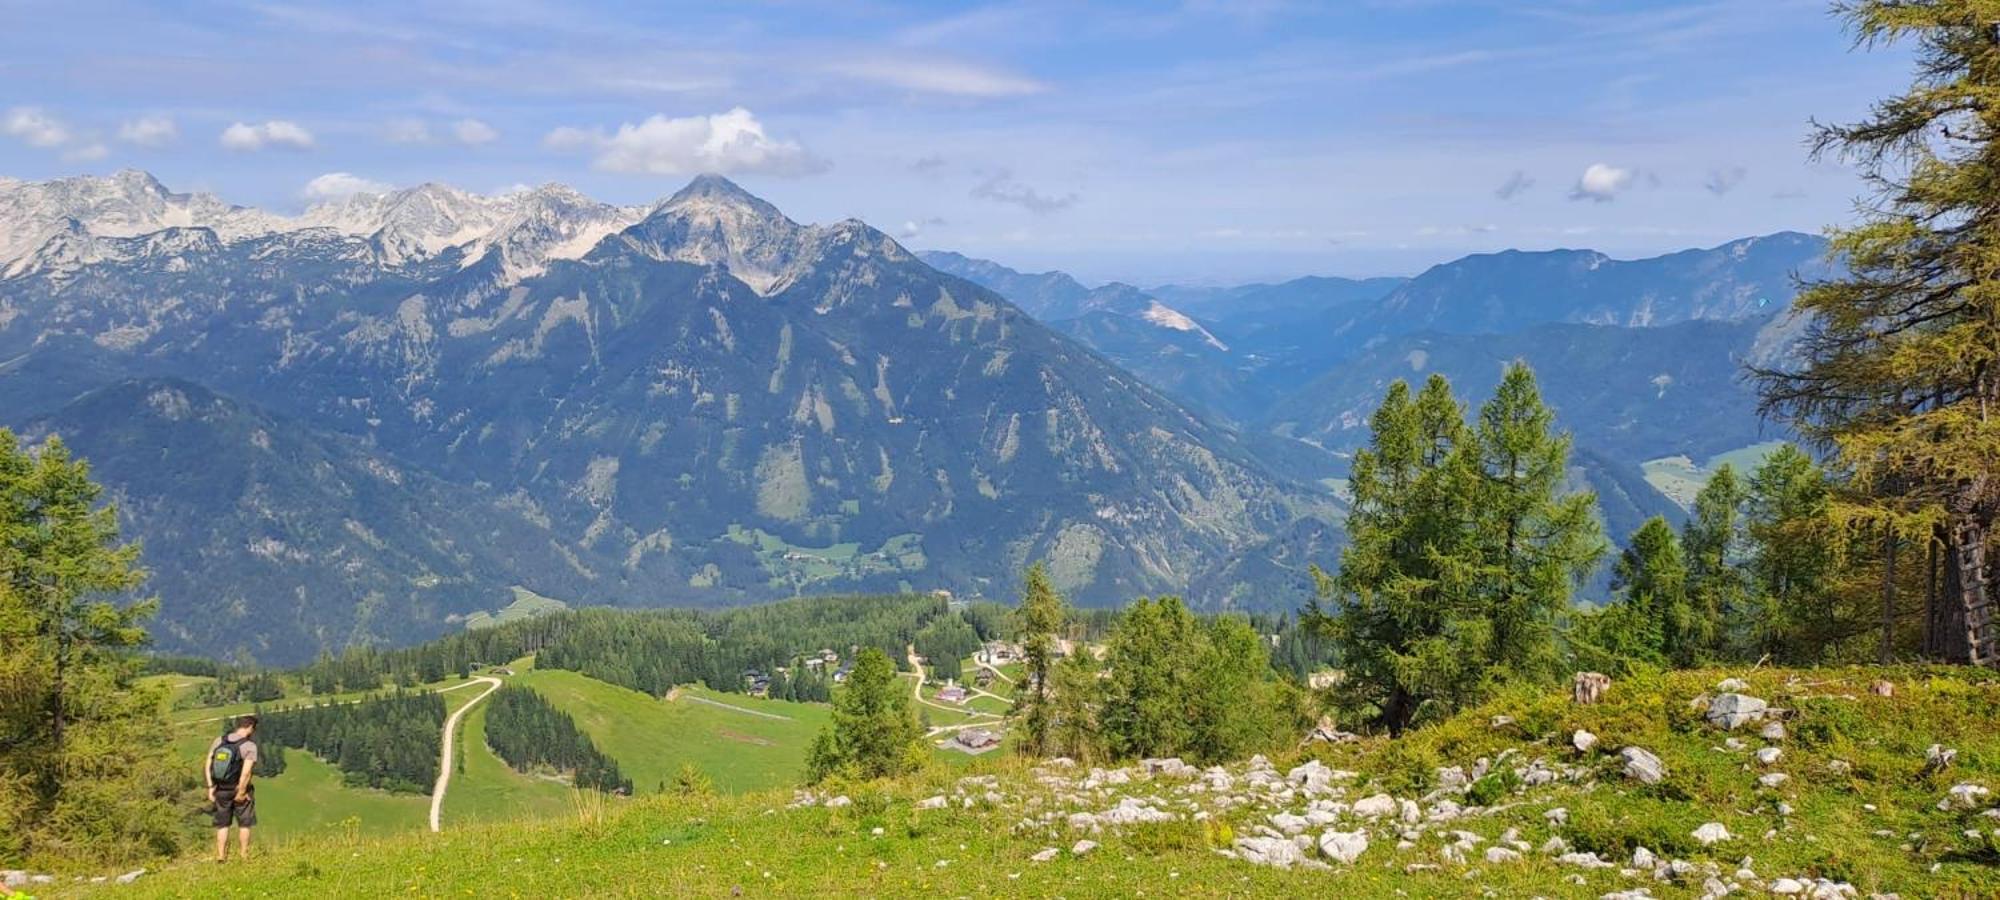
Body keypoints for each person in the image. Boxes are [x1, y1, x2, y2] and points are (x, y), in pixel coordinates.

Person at [204, 715, 259, 862]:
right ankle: (244, 855)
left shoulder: (219, 741)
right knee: (244, 824)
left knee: (222, 824)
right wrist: (241, 792)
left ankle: (221, 856)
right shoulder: (249, 746)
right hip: (238, 789)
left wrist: (210, 787)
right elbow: (246, 772)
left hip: (220, 789)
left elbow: (208, 763)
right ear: (250, 727)